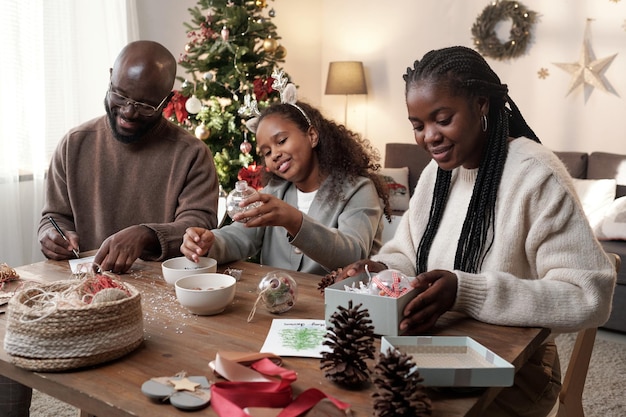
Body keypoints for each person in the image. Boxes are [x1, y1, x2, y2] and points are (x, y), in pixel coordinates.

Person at [338, 46, 616, 417]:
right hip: (433, 346)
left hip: (519, 368)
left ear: (481, 104)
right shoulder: (438, 175)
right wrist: (380, 272)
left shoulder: (535, 175)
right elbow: (405, 254)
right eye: (418, 126)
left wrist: (465, 291)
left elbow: (589, 294)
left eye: (442, 119)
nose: (429, 137)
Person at [0, 40, 220, 417]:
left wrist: (147, 234)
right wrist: (51, 234)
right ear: (110, 78)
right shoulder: (74, 144)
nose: (128, 112)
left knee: (116, 395)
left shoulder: (191, 155)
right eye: (119, 95)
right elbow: (53, 216)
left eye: (145, 105)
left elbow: (198, 228)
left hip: (159, 307)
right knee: (10, 343)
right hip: (81, 295)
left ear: (167, 101)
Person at [181, 73, 391, 276]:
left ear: (312, 136)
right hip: (274, 301)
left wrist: (294, 221)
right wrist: (210, 242)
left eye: (281, 141)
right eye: (267, 152)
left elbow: (353, 254)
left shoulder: (358, 190)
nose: (275, 155)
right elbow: (240, 235)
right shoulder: (275, 191)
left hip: (338, 305)